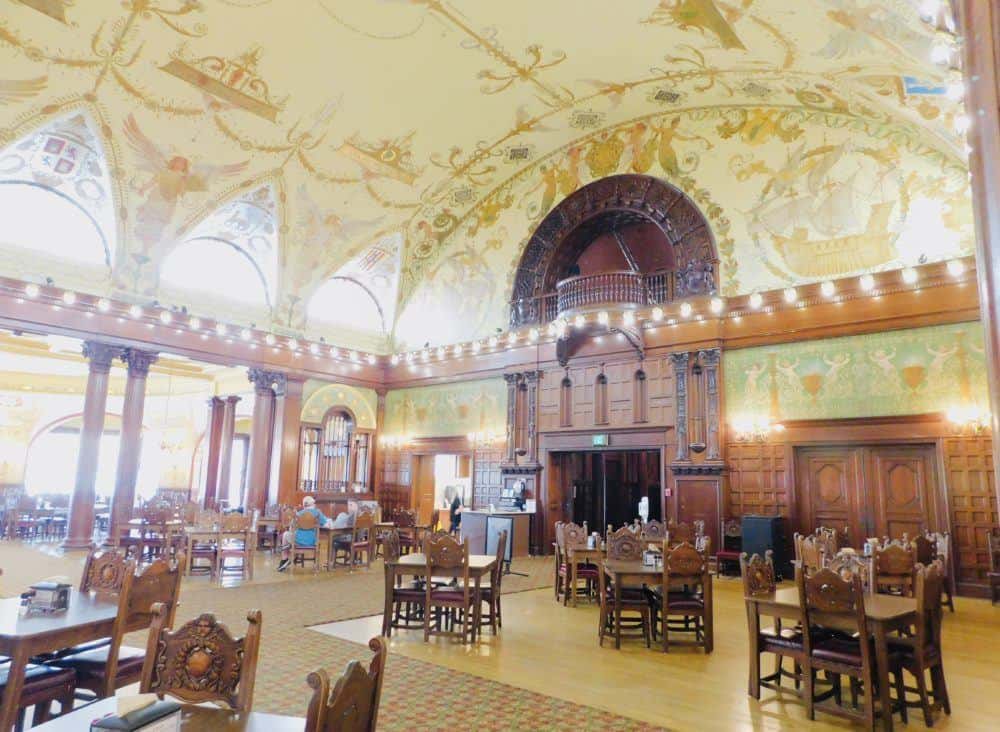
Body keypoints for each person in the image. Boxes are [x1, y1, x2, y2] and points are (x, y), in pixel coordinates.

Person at [277, 496, 328, 572]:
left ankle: (284, 558)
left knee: (286, 534)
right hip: (312, 541)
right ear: (313, 504)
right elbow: (326, 524)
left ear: (304, 505)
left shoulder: (298, 514)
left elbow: (291, 527)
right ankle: (288, 549)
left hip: (298, 541)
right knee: (288, 536)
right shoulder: (318, 513)